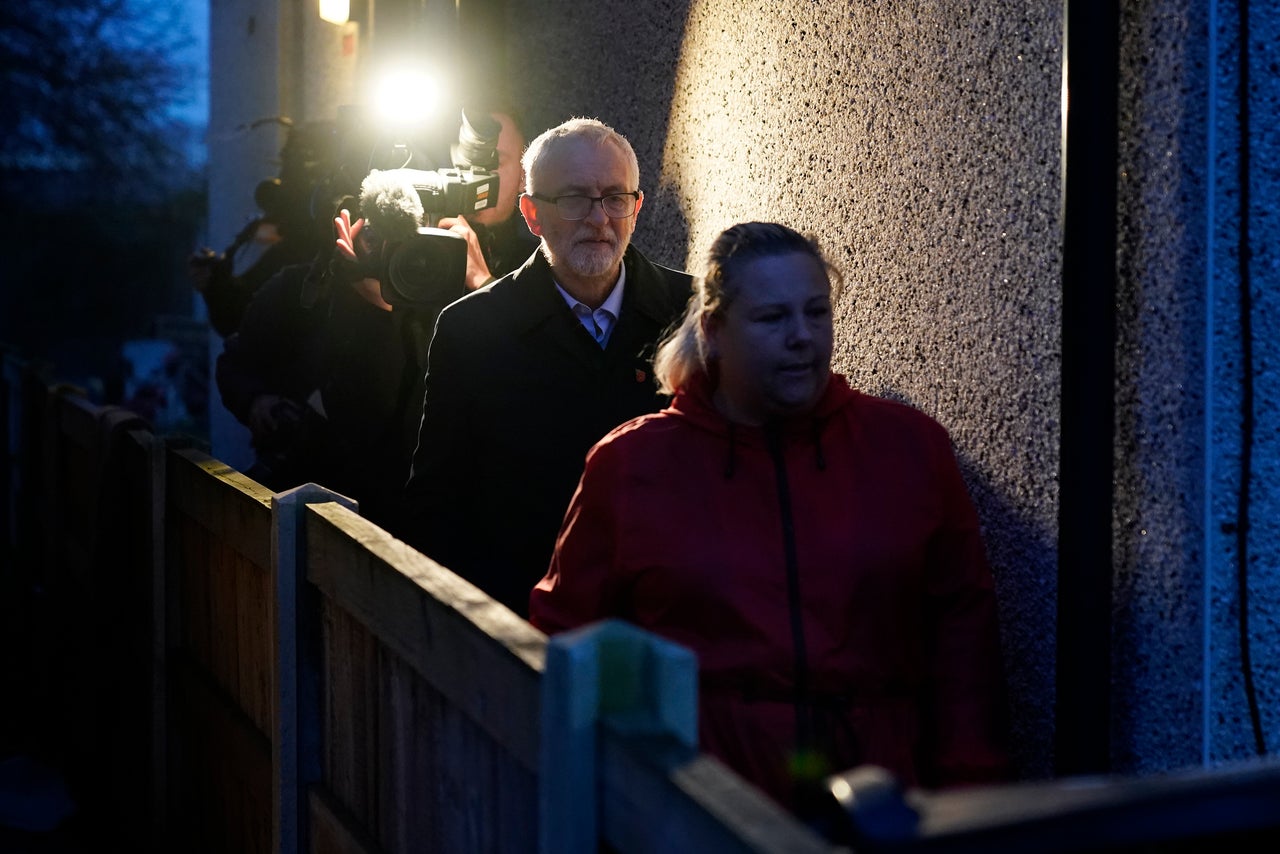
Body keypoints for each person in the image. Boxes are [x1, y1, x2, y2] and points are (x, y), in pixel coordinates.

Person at [529, 222, 1011, 814]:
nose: (802, 337)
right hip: (705, 803)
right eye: (772, 318)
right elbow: (568, 638)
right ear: (714, 331)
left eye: (817, 312)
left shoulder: (909, 448)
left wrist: (969, 788)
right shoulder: (633, 465)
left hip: (879, 799)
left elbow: (964, 637)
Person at [400, 117, 693, 616]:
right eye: (575, 199)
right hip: (524, 628)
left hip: (667, 622)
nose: (598, 218)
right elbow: (437, 507)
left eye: (615, 198)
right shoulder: (470, 330)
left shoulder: (693, 312)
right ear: (532, 213)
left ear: (637, 208)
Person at [217, 109, 537, 526]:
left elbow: (530, 384)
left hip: (439, 525)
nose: (384, 237)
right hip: (327, 516)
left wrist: (481, 286)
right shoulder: (308, 290)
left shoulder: (460, 293)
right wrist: (258, 401)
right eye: (373, 223)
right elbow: (235, 363)